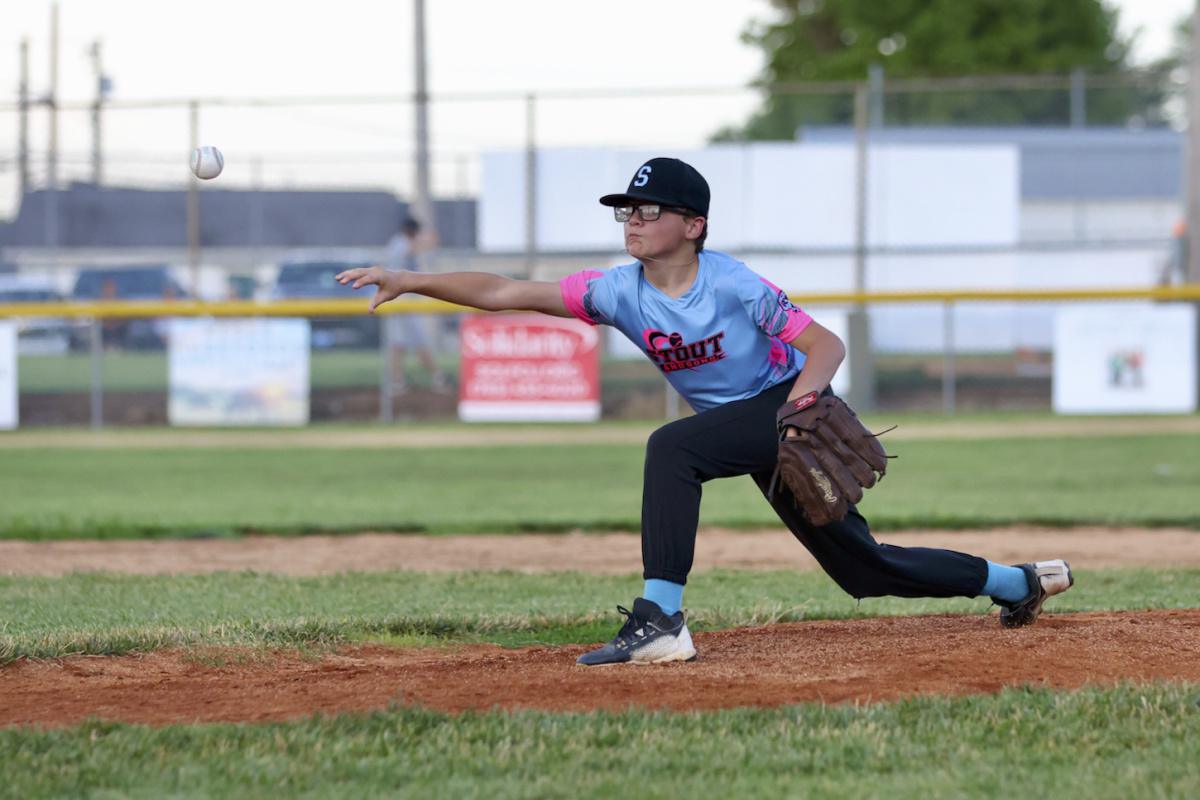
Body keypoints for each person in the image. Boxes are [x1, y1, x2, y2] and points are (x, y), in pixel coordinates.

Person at [337, 157, 1074, 667]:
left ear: (692, 224)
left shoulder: (733, 284)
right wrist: (412, 277)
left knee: (675, 450)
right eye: (626, 208)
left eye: (647, 208)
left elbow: (824, 343)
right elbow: (504, 291)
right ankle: (1018, 583)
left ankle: (660, 621)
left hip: (783, 411)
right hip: (753, 430)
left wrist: (801, 408)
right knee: (863, 569)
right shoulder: (616, 291)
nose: (631, 218)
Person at [382, 216, 448, 392]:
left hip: (406, 301)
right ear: (410, 231)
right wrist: (429, 240)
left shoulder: (403, 242)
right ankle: (431, 377)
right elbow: (414, 248)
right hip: (399, 302)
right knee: (403, 342)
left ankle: (432, 377)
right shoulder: (400, 242)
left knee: (409, 342)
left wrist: (428, 241)